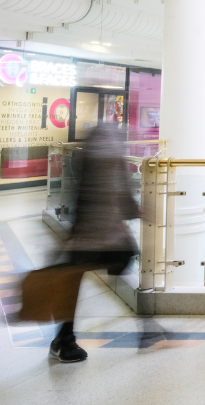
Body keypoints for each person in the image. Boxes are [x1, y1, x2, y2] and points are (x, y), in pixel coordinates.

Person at [51, 124, 140, 362]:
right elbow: (122, 195)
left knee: (75, 283)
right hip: (97, 236)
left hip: (92, 236)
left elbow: (81, 196)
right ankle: (64, 339)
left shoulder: (89, 155)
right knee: (81, 280)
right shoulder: (112, 156)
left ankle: (63, 338)